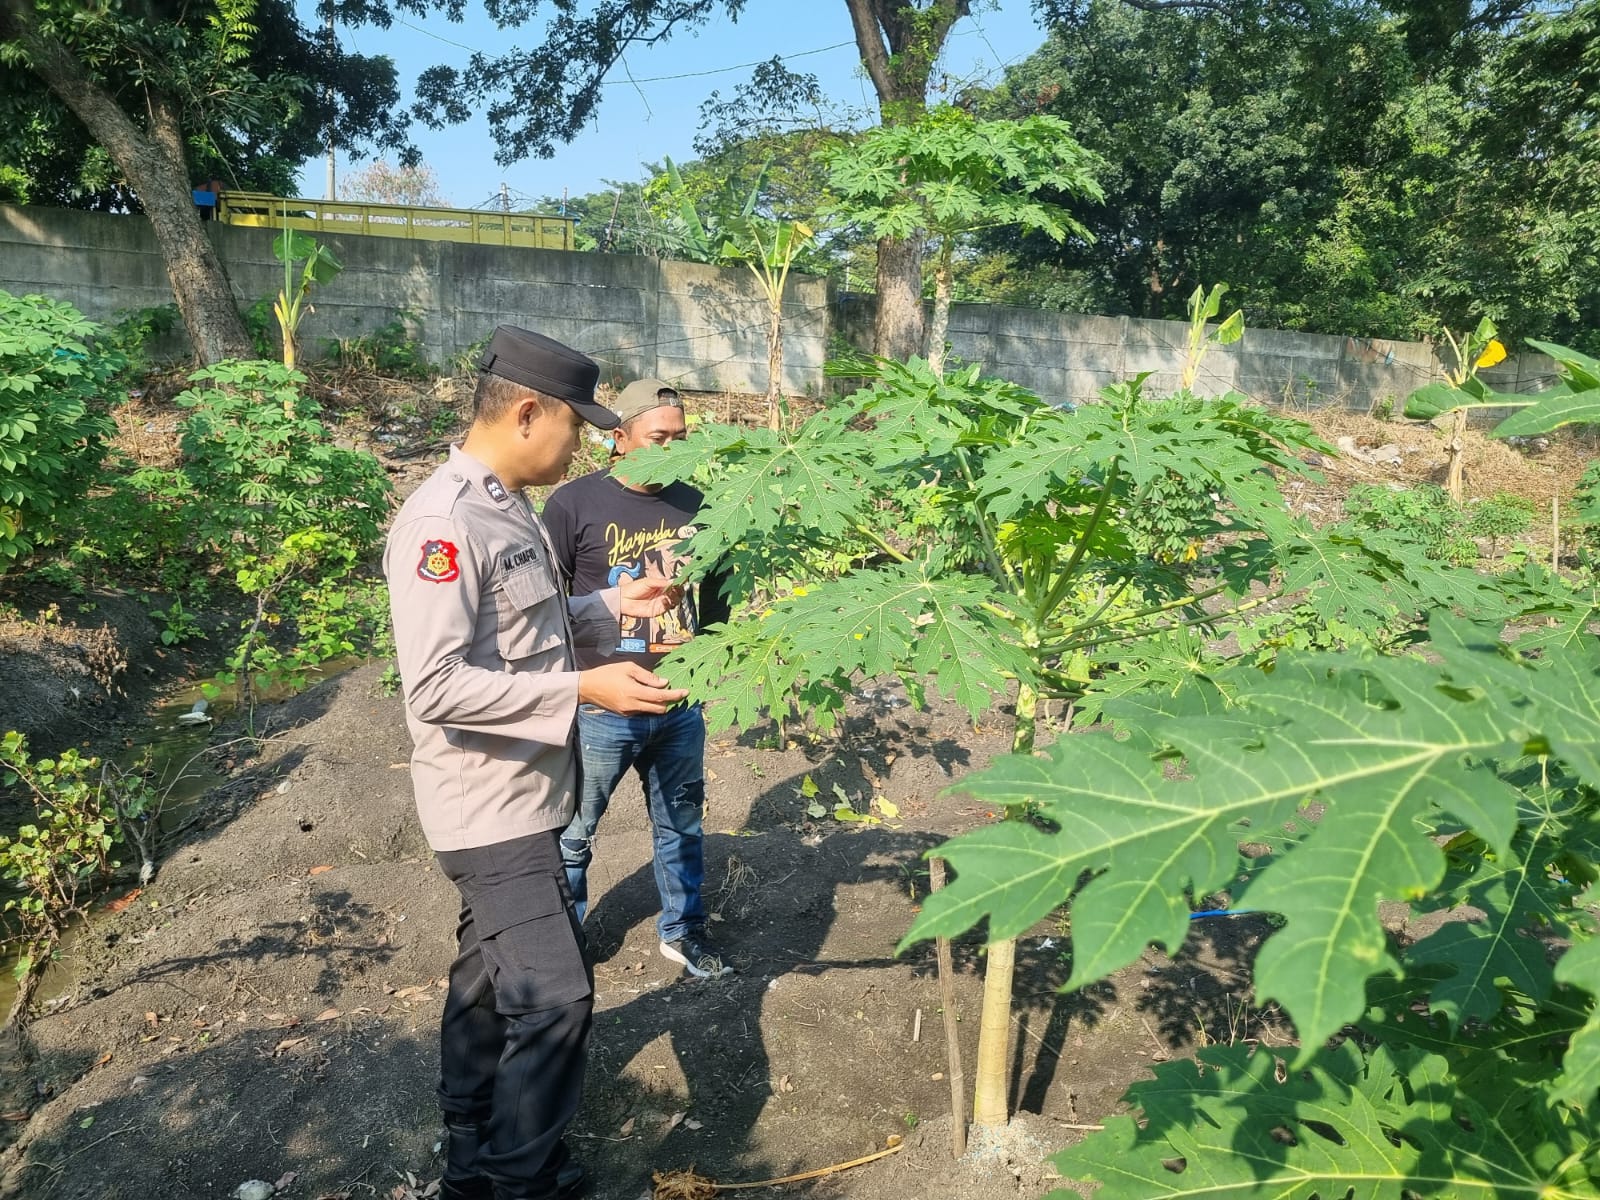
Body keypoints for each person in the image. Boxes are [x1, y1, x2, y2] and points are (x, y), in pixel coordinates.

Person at [384, 328, 688, 1200]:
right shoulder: (443, 522)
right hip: (490, 811)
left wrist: (607, 600)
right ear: (527, 413)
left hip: (527, 795)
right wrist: (584, 690)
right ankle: (526, 1181)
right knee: (556, 999)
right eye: (578, 427)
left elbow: (519, 627)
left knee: (487, 979)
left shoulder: (505, 506)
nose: (584, 444)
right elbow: (438, 686)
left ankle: (472, 1156)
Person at [542, 378, 731, 979]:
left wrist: (712, 659)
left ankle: (683, 932)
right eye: (658, 437)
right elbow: (547, 604)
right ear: (619, 438)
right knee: (573, 834)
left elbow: (718, 593)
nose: (673, 447)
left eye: (681, 436)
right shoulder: (573, 504)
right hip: (602, 701)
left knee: (682, 826)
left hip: (677, 700)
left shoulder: (699, 505)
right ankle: (563, 945)